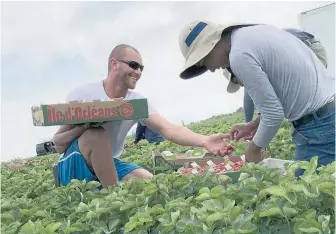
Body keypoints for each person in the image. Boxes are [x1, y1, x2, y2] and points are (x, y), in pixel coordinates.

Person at [53, 44, 234, 188]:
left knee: (151, 184)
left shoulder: (136, 104)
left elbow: (169, 129)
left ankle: (106, 183)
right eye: (133, 65)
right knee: (96, 134)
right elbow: (59, 144)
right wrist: (84, 126)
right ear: (114, 64)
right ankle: (114, 196)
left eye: (141, 68)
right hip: (75, 163)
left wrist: (204, 141)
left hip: (110, 162)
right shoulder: (84, 94)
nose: (138, 72)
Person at [177, 21, 335, 174]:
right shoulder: (251, 34)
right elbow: (283, 98)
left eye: (205, 61)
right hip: (326, 115)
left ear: (210, 45)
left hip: (318, 127)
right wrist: (253, 125)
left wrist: (253, 149)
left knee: (309, 191)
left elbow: (274, 115)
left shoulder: (239, 56)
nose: (210, 69)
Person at [235, 28, 329, 122]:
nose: (242, 85)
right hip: (305, 48)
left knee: (307, 103)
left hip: (309, 48)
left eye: (236, 82)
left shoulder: (248, 59)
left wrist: (248, 123)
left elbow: (251, 96)